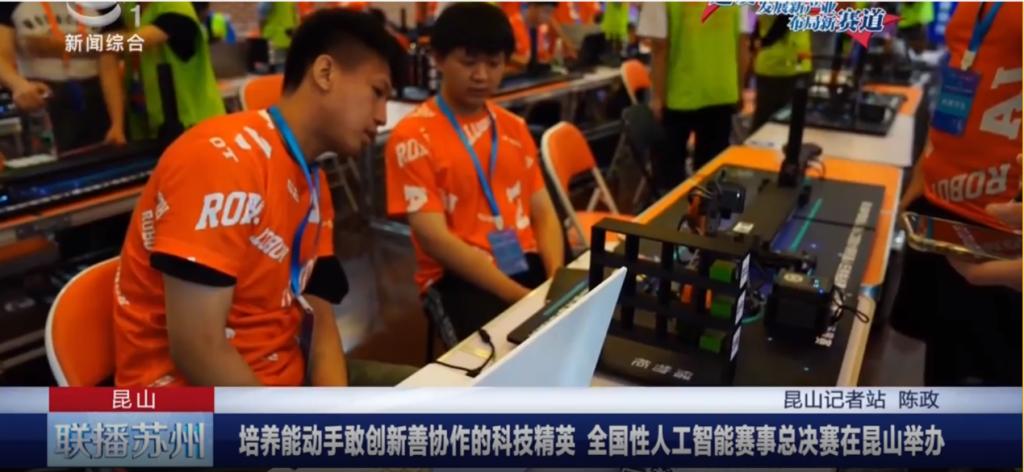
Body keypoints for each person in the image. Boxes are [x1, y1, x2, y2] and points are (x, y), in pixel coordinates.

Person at [113, 9, 412, 387]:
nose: (382, 115)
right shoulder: (221, 159)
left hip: (286, 379)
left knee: (447, 399)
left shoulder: (312, 180)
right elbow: (198, 350)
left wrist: (333, 407)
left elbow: (319, 317)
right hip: (196, 401)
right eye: (377, 92)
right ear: (325, 73)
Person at [385, 2, 565, 348]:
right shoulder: (412, 137)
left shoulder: (514, 128)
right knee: (501, 359)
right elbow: (433, 237)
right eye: (468, 63)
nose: (481, 75)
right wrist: (521, 298)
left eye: (494, 64)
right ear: (438, 59)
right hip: (455, 276)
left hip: (523, 257)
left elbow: (542, 209)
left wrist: (557, 277)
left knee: (578, 334)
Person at [893, 2, 1022, 386]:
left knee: (995, 382)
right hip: (941, 209)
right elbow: (963, 74)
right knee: (943, 367)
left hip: (1001, 224)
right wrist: (923, 171)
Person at [638, 2, 747, 188]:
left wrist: (657, 97)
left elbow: (659, 49)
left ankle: (676, 206)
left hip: (679, 95)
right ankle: (705, 206)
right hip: (721, 92)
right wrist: (739, 88)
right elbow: (742, 45)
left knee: (669, 179)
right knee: (711, 178)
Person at [0, 2, 126, 150]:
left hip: (94, 97)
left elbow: (109, 65)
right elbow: (2, 55)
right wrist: (18, 84)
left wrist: (117, 123)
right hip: (40, 96)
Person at [102, 2, 225, 140]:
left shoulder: (176, 6)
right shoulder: (128, 10)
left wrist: (89, 43)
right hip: (148, 130)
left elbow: (144, 39)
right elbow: (106, 55)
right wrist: (117, 125)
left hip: (196, 127)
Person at [749, 14, 811, 132]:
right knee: (780, 121)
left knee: (766, 119)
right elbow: (785, 17)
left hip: (777, 62)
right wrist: (764, 42)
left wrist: (756, 42)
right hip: (785, 63)